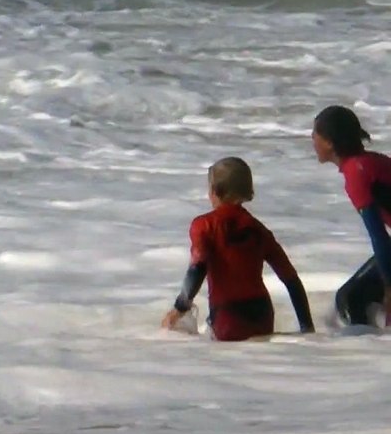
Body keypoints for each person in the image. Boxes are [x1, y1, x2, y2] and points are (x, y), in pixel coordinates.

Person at [162, 157, 314, 340]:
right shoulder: (258, 229)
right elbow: (291, 279)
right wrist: (307, 328)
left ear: (214, 191)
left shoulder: (203, 225)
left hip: (228, 316)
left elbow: (197, 268)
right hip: (263, 316)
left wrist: (179, 309)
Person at [311, 105, 391, 328]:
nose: (312, 141)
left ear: (329, 142)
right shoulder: (370, 162)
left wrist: (389, 286)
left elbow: (379, 236)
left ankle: (368, 354)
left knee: (350, 299)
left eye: (314, 134)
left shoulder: (357, 173)